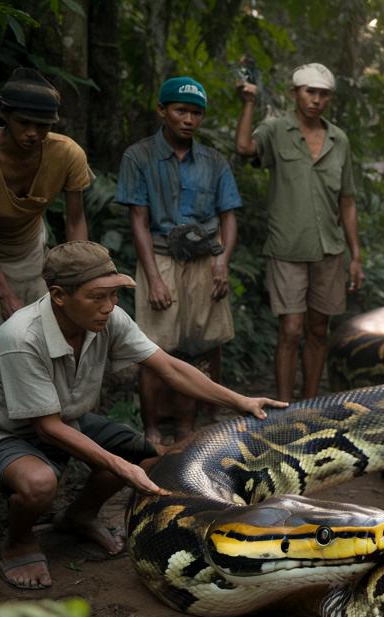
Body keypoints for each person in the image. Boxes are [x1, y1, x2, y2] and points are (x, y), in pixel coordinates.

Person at [0, 241, 286, 590]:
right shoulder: (22, 336)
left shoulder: (108, 319)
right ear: (59, 296)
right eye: (97, 297)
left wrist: (240, 401)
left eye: (114, 295)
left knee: (143, 455)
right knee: (41, 483)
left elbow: (168, 367)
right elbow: (46, 428)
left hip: (68, 421)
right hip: (8, 435)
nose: (109, 306)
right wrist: (120, 467)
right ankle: (18, 542)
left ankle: (78, 517)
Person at [116, 76, 243, 446]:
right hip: (160, 256)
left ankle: (188, 427)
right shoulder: (138, 157)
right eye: (181, 110)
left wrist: (222, 263)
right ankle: (153, 428)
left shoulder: (213, 161)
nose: (189, 119)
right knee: (154, 346)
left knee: (199, 345)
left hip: (206, 258)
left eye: (196, 113)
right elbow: (138, 220)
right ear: (163, 111)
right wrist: (154, 277)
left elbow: (229, 216)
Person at [235, 62, 365, 402]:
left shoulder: (339, 140)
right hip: (287, 247)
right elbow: (245, 148)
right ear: (295, 94)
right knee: (291, 330)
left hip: (329, 250)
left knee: (318, 330)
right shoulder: (277, 130)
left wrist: (356, 256)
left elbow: (347, 200)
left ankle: (309, 405)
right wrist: (248, 103)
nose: (316, 100)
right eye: (310, 92)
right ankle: (282, 406)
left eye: (323, 94)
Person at [0, 67, 93, 347]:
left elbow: (75, 221)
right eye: (24, 123)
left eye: (43, 126)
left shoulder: (68, 153)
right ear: (4, 115)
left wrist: (78, 275)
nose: (33, 133)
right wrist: (5, 294)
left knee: (43, 340)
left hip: (32, 251)